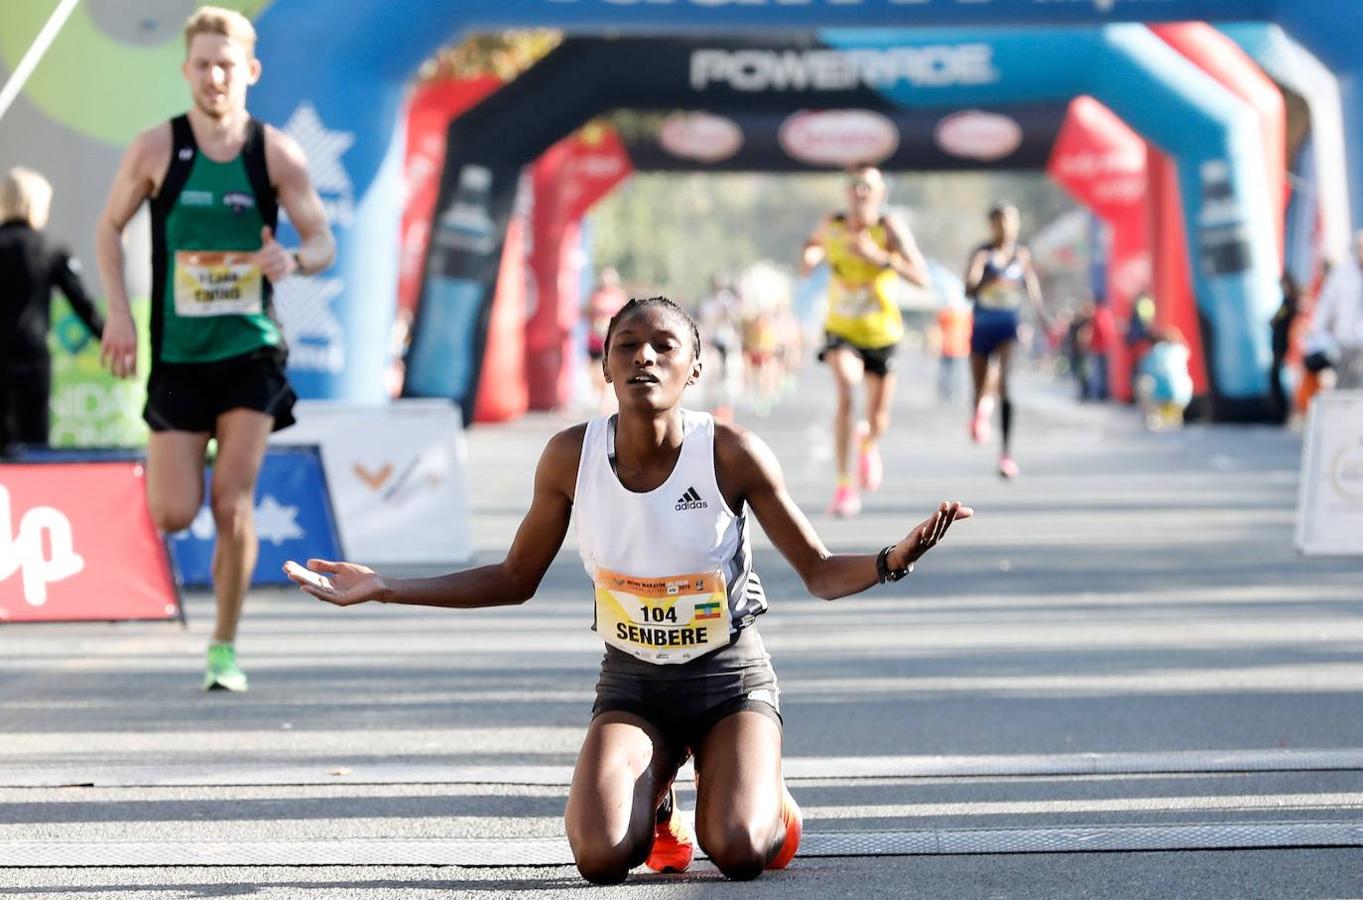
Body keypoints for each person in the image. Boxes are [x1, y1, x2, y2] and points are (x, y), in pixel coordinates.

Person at [286, 296, 971, 885]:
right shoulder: (568, 455)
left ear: (694, 368)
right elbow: (513, 578)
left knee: (737, 852)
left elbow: (818, 573)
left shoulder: (730, 452)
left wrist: (892, 558)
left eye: (663, 346)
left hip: (728, 683)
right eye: (627, 346)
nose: (644, 357)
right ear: (606, 366)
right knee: (600, 858)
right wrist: (385, 588)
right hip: (634, 685)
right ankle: (661, 793)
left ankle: (764, 796)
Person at [96, 6, 335, 692]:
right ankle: (188, 453)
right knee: (173, 511)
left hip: (249, 351)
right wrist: (120, 312)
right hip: (178, 352)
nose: (214, 76)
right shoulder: (154, 148)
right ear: (186, 71)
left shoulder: (274, 153)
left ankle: (223, 647)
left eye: (226, 65)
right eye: (202, 65)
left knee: (233, 501)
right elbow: (108, 229)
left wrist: (295, 258)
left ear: (249, 71)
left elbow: (322, 238)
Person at [801, 164, 929, 517]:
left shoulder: (889, 229)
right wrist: (811, 258)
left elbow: (922, 277)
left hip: (882, 334)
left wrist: (881, 258)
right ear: (846, 191)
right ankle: (844, 486)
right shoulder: (833, 224)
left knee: (878, 420)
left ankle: (868, 442)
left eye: (867, 187)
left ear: (880, 193)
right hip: (842, 330)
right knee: (846, 388)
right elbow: (812, 246)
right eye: (854, 186)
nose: (860, 193)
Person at [0, 167, 106, 456]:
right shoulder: (48, 248)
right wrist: (111, 340)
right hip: (32, 360)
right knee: (34, 445)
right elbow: (82, 304)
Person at [964, 204, 1048, 479]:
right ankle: (980, 409)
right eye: (999, 222)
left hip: (1007, 326)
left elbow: (1032, 288)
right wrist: (987, 279)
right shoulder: (982, 254)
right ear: (992, 225)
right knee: (980, 386)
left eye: (1010, 221)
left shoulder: (1021, 255)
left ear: (1017, 224)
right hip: (982, 327)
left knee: (1005, 384)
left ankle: (1006, 454)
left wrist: (1043, 317)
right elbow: (968, 289)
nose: (1005, 227)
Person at [1308, 230, 1363, 390]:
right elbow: (1326, 305)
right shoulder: (1342, 274)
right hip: (1345, 341)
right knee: (1345, 384)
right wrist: (1319, 333)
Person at [584, 267, 627, 412]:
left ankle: (607, 405)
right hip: (595, 341)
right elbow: (586, 313)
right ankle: (604, 396)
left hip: (611, 341)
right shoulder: (595, 297)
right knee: (595, 376)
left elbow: (626, 316)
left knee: (609, 373)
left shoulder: (619, 297)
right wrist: (595, 324)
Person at [934, 297, 972, 404]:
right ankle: (952, 393)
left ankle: (948, 393)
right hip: (957, 348)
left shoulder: (948, 314)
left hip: (954, 348)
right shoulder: (965, 315)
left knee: (950, 373)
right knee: (954, 373)